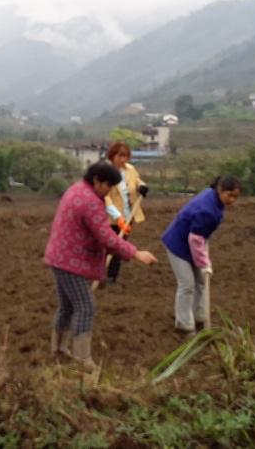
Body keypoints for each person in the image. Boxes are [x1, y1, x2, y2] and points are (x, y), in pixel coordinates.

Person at [43, 162, 158, 371]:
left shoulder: (76, 189)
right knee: (86, 306)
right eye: (108, 185)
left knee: (67, 306)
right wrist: (136, 253)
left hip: (59, 256)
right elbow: (107, 238)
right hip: (70, 261)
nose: (109, 190)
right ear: (96, 180)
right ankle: (82, 359)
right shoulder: (90, 202)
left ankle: (58, 350)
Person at [161, 175, 242, 334]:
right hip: (178, 245)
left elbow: (199, 238)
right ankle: (184, 325)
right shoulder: (207, 210)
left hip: (193, 242)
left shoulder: (214, 197)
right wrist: (204, 263)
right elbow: (195, 239)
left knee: (201, 281)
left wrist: (203, 261)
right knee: (187, 284)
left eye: (235, 197)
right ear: (220, 190)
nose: (232, 200)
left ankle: (199, 316)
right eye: (230, 195)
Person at [102, 141, 149, 285]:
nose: (123, 159)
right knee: (106, 247)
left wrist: (141, 186)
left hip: (129, 216)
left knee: (119, 248)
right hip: (111, 219)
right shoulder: (105, 172)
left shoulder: (130, 169)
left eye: (126, 156)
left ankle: (111, 277)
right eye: (120, 156)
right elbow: (106, 198)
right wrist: (118, 217)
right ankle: (98, 273)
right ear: (112, 156)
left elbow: (137, 180)